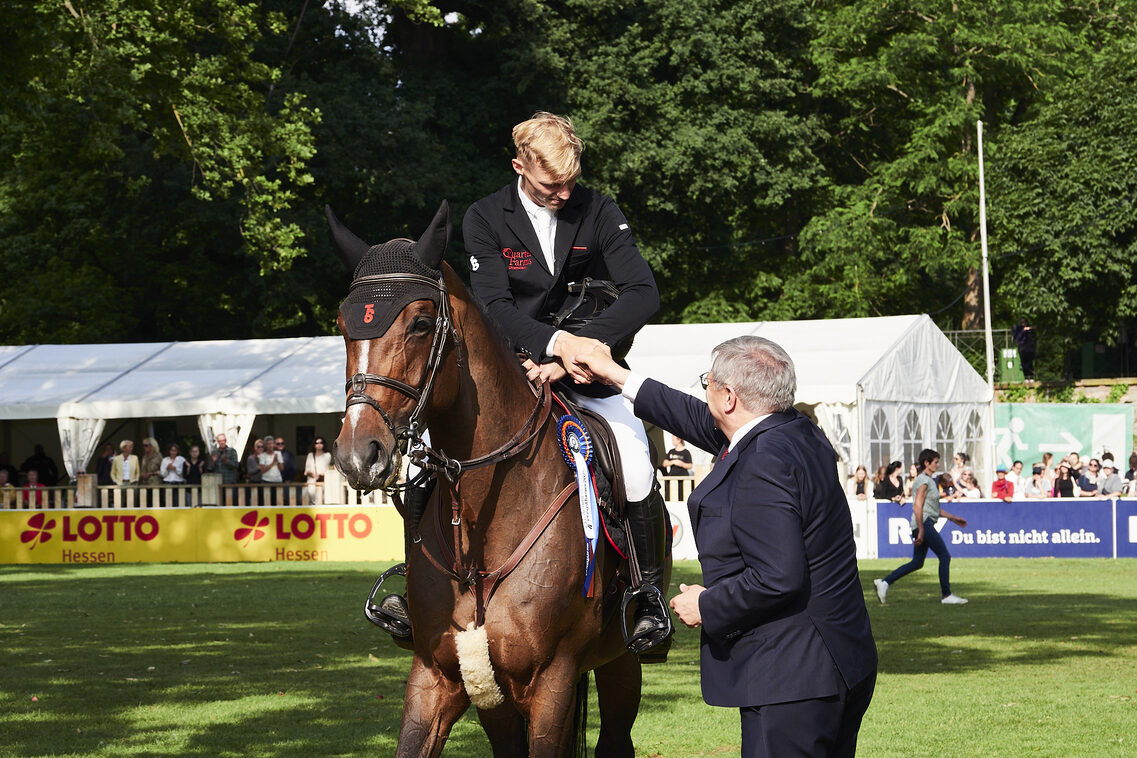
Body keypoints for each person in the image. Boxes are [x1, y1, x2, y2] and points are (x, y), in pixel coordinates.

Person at [574, 335, 877, 757]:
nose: (705, 392)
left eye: (708, 383)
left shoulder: (764, 459)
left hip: (792, 680)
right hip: (836, 662)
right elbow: (693, 416)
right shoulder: (795, 431)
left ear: (730, 397)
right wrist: (618, 377)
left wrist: (707, 604)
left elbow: (778, 577)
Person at [463, 111, 669, 652]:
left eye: (571, 182)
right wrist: (552, 347)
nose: (564, 193)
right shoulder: (484, 217)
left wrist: (581, 351)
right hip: (509, 371)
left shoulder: (598, 209)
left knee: (635, 462)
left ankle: (647, 599)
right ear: (519, 168)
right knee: (422, 461)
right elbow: (491, 304)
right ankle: (418, 592)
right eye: (551, 184)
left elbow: (643, 292)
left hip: (587, 367)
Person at [874, 448, 969, 605]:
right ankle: (946, 595)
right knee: (945, 556)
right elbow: (918, 505)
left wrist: (953, 518)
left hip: (923, 523)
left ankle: (884, 582)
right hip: (924, 523)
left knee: (917, 562)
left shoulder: (927, 480)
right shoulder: (924, 480)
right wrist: (922, 529)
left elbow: (931, 508)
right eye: (936, 462)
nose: (938, 465)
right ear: (927, 463)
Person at [304, 437, 332, 505]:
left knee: (324, 499)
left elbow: (330, 468)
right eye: (317, 443)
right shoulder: (310, 455)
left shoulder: (328, 455)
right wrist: (313, 475)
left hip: (324, 481)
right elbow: (307, 470)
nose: (319, 444)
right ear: (314, 445)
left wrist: (322, 475)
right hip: (312, 481)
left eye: (321, 443)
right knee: (311, 496)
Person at [259, 435, 283, 505]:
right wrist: (273, 462)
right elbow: (262, 470)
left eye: (271, 443)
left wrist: (277, 460)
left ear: (274, 444)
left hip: (277, 481)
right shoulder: (263, 455)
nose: (270, 445)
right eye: (268, 444)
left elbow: (281, 468)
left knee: (278, 502)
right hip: (266, 481)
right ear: (265, 445)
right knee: (266, 502)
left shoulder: (278, 453)